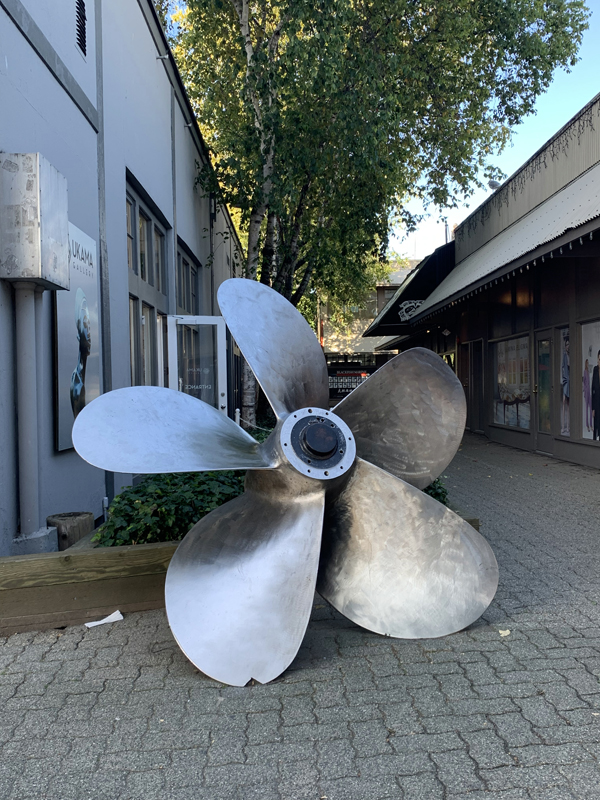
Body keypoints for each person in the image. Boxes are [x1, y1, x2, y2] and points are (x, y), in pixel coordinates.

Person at [70, 288, 91, 419]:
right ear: (78, 335)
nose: (89, 334)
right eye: (85, 324)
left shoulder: (81, 380)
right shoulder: (76, 385)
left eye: (89, 325)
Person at [561, 335, 570, 435]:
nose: (568, 346)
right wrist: (563, 381)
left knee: (568, 405)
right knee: (564, 403)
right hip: (565, 382)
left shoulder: (570, 356)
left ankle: (568, 427)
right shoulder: (564, 356)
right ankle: (563, 427)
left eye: (568, 345)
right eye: (567, 345)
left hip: (570, 381)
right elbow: (562, 368)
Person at [592, 350, 600, 441]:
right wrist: (593, 408)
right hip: (597, 402)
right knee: (596, 425)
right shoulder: (595, 369)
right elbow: (593, 388)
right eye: (599, 359)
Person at [583, 358, 592, 433]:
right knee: (586, 409)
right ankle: (587, 425)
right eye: (587, 363)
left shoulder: (588, 372)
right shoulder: (585, 372)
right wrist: (584, 391)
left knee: (591, 408)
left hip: (589, 391)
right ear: (585, 364)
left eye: (588, 363)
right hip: (586, 391)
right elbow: (584, 382)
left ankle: (591, 425)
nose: (588, 364)